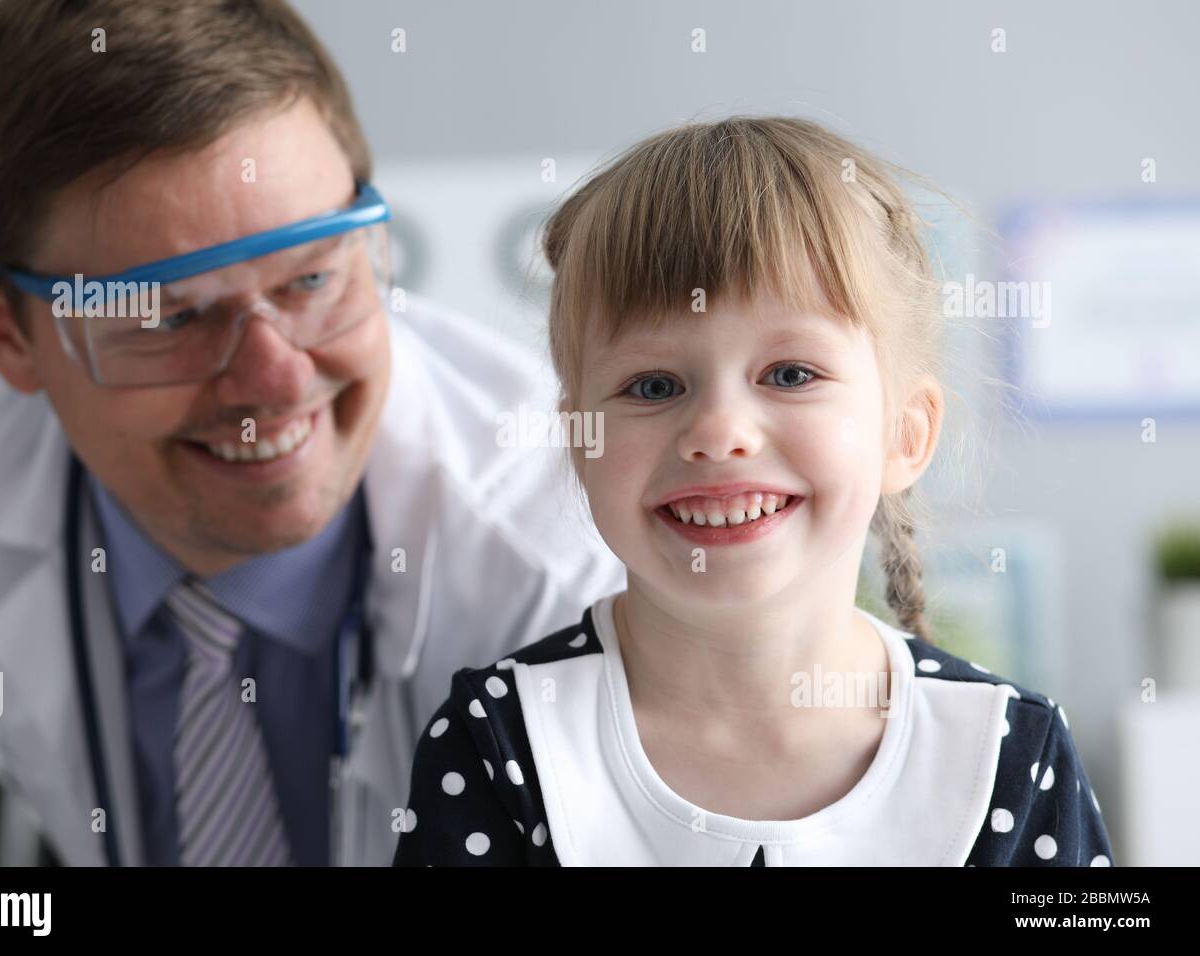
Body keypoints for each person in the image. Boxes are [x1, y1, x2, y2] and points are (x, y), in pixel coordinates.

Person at [0, 0, 623, 867]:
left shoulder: (573, 570)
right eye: (169, 318)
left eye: (312, 276)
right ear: (6, 333)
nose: (277, 380)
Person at [392, 117, 1116, 866]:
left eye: (791, 374)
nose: (717, 431)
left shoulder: (1010, 754)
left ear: (905, 434)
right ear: (580, 440)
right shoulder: (499, 742)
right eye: (653, 385)